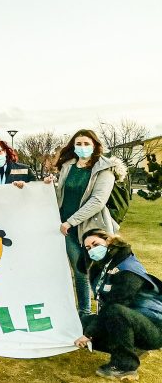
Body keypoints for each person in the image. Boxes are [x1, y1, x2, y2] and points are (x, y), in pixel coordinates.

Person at [47, 129, 127, 317]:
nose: (82, 147)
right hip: (66, 228)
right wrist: (49, 185)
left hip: (91, 228)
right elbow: (62, 195)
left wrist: (71, 221)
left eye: (86, 144)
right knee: (79, 270)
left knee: (99, 270)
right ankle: (83, 312)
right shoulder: (68, 166)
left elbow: (98, 200)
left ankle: (99, 312)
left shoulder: (104, 168)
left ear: (95, 146)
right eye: (78, 144)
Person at [74, 229, 162, 380]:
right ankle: (133, 347)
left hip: (154, 327)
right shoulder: (106, 264)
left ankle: (125, 366)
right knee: (81, 322)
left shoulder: (128, 268)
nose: (92, 250)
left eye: (96, 244)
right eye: (88, 248)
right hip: (131, 321)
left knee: (114, 312)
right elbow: (82, 267)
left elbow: (116, 304)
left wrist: (89, 334)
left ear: (109, 241)